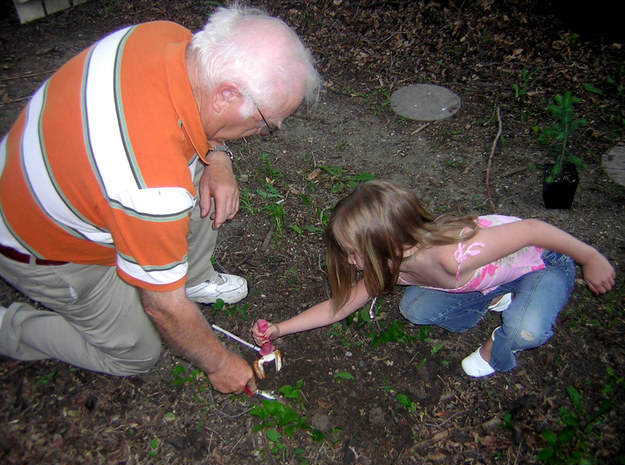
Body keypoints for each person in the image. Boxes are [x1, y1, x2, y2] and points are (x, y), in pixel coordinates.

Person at [0, 4, 321, 394]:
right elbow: (161, 308)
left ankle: (190, 276)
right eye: (265, 122)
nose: (263, 130)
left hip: (51, 175)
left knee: (201, 176)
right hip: (45, 244)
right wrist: (219, 364)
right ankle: (10, 329)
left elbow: (188, 119)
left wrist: (218, 155)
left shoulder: (166, 38)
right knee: (137, 351)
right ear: (227, 95)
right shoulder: (152, 186)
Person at [252, 180, 615, 378]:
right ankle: (497, 294)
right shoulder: (394, 263)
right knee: (415, 307)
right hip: (491, 277)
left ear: (389, 243)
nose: (349, 261)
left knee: (525, 330)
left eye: (354, 252)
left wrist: (591, 257)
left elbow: (534, 229)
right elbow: (344, 304)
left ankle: (497, 347)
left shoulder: (455, 253)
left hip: (544, 263)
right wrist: (281, 329)